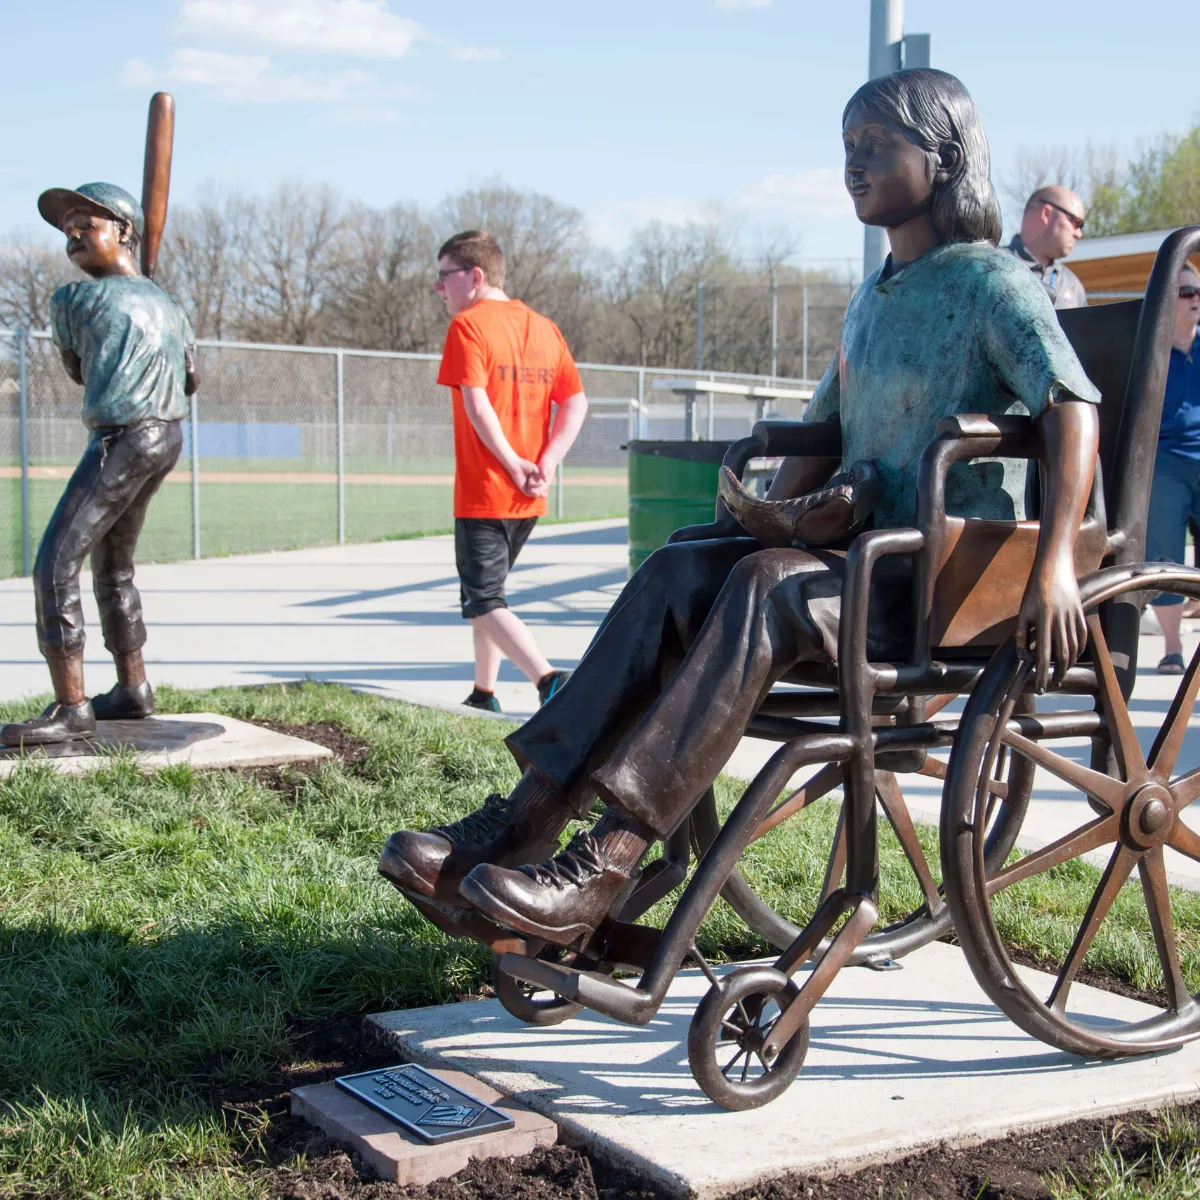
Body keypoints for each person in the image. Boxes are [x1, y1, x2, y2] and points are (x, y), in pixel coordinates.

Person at [379, 68, 1101, 949]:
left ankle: (607, 857)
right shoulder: (874, 299)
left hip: (928, 576)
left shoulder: (993, 283)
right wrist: (751, 523)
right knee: (683, 561)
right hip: (853, 561)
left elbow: (1072, 406)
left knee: (762, 584)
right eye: (847, 148)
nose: (855, 166)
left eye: (877, 145)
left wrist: (1059, 558)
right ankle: (525, 818)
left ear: (945, 157)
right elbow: (821, 438)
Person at [0, 183, 198, 747]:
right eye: (69, 229)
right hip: (167, 434)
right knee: (113, 566)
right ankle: (132, 688)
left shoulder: (72, 301)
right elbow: (191, 379)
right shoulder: (173, 306)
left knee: (54, 564)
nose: (75, 235)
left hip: (122, 438)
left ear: (125, 231)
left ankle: (71, 706)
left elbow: (78, 371)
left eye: (88, 223)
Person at [433, 230, 589, 713]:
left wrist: (513, 463)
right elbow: (576, 402)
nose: (439, 288)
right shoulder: (544, 327)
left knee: (483, 602)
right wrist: (546, 462)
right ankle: (484, 693)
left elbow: (477, 406)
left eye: (444, 277)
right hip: (529, 495)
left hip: (488, 490)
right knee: (489, 601)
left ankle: (550, 681)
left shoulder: (468, 326)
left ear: (474, 277)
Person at [1145, 262, 1200, 673]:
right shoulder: (1151, 349)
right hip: (1164, 462)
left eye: (1197, 291)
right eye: (1184, 292)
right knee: (1166, 557)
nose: (1195, 299)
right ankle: (1172, 647)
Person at [1002, 185, 1088, 308]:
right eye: (1076, 222)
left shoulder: (1072, 284)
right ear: (1046, 214)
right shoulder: (993, 268)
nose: (1079, 233)